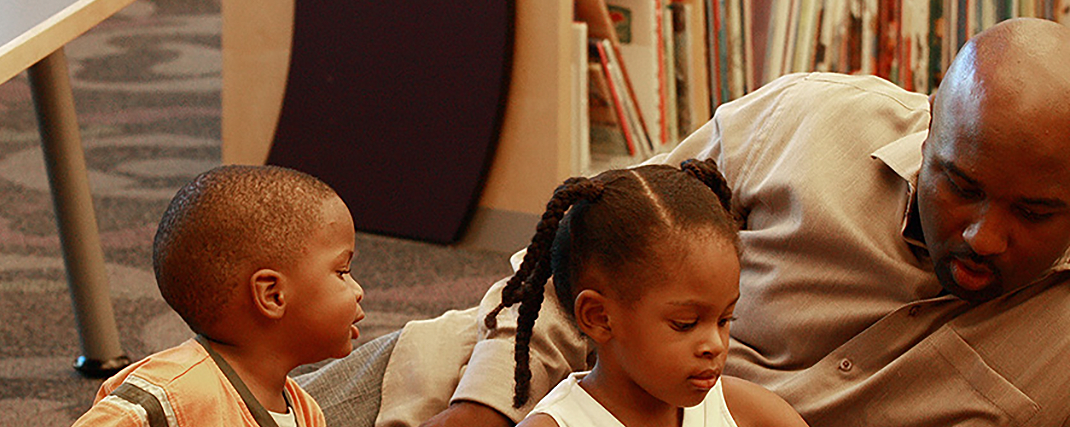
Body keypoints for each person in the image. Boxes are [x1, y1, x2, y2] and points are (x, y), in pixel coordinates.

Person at [299, 18, 1070, 427]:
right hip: (535, 367)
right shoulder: (805, 123)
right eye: (961, 186)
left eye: (1035, 212)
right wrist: (482, 404)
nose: (984, 236)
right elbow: (597, 251)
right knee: (230, 396)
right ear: (929, 127)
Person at [486, 160, 807, 427]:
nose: (716, 345)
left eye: (724, 319)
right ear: (599, 317)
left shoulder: (749, 413)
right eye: (685, 323)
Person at [72, 165, 366, 427]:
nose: (358, 291)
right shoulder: (171, 397)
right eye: (342, 271)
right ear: (273, 295)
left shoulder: (305, 411)